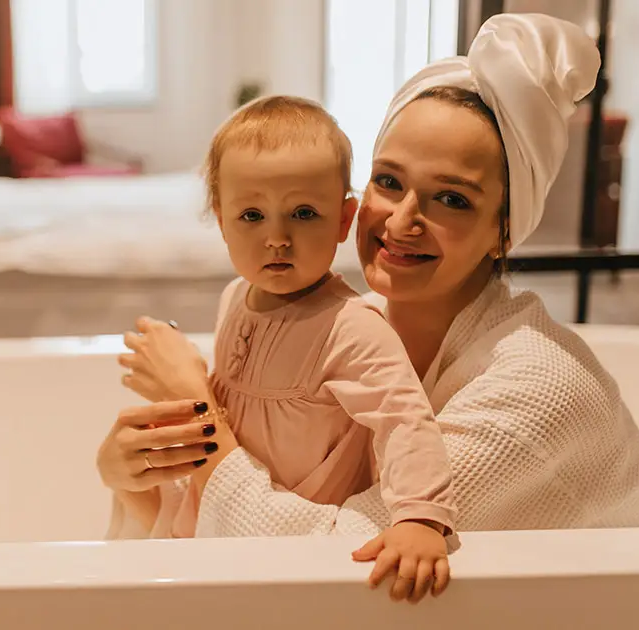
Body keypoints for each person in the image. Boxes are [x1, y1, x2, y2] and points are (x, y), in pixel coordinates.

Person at [97, 13, 639, 603]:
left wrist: (199, 421)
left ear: (503, 233)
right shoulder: (351, 321)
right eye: (388, 181)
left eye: (451, 198)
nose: (401, 220)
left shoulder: (536, 389)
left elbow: (336, 558)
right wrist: (136, 482)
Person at [118, 94, 459, 600]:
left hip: (294, 551)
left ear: (345, 221)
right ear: (221, 218)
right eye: (251, 215)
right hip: (212, 523)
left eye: (303, 213)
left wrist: (419, 517)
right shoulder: (236, 296)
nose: (277, 237)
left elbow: (405, 418)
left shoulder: (351, 326)